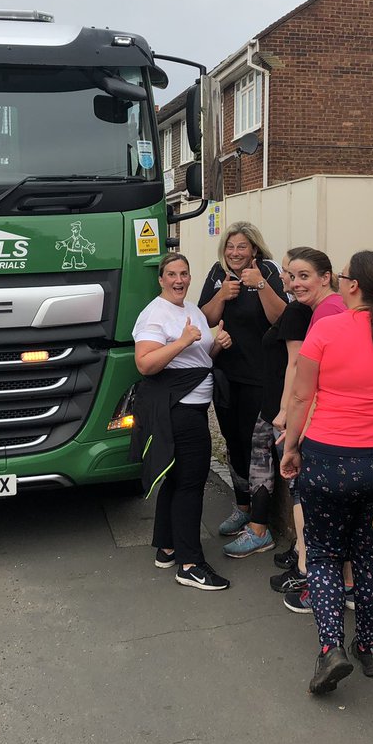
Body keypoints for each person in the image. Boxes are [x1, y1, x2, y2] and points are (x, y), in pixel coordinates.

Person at [280, 250, 373, 694]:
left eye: (340, 277)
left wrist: (293, 446)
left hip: (330, 457)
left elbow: (301, 398)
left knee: (322, 554)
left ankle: (330, 649)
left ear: (353, 285)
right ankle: (371, 646)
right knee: (371, 556)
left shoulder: (327, 331)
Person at [222, 247, 335, 560]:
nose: (290, 279)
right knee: (269, 468)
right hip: (275, 406)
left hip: (283, 411)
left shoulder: (301, 311)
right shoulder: (305, 308)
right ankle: (291, 546)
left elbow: (295, 364)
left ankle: (301, 557)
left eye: (300, 274)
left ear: (325, 279)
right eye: (288, 272)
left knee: (295, 481)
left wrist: (285, 412)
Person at [130, 252, 233, 592]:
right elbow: (145, 364)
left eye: (184, 273)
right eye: (172, 274)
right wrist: (183, 341)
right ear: (160, 279)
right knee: (190, 483)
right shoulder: (154, 314)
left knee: (176, 479)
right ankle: (190, 564)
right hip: (179, 410)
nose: (179, 279)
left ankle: (168, 546)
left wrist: (215, 346)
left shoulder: (190, 310)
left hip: (196, 406)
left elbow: (198, 358)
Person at [198, 222, 287, 536]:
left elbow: (281, 318)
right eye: (230, 247)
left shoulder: (269, 272)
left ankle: (260, 524)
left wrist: (260, 285)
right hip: (225, 373)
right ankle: (243, 507)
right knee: (233, 442)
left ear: (254, 249)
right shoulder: (217, 273)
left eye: (241, 247)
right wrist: (222, 294)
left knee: (256, 448)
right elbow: (206, 317)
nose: (235, 253)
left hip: (260, 376)